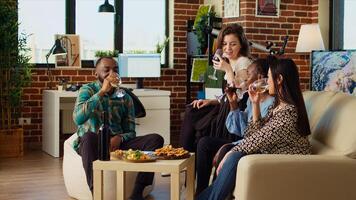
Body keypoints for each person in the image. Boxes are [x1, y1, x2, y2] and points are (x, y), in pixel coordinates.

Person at [197, 58, 312, 200]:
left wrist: (231, 151)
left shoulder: (288, 113)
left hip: (287, 164)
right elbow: (251, 134)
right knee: (234, 157)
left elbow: (257, 139)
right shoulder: (277, 107)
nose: (266, 80)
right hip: (271, 156)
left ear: (279, 79)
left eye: (269, 77)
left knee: (234, 156)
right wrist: (255, 104)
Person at [73, 56, 164, 200]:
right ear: (96, 74)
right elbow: (78, 119)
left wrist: (120, 138)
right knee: (88, 137)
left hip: (118, 144)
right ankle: (96, 193)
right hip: (94, 143)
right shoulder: (87, 90)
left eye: (115, 70)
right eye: (106, 70)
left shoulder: (125, 96)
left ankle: (137, 193)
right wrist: (101, 93)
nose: (112, 74)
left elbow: (131, 131)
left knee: (156, 139)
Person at [195, 58, 274, 195]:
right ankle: (202, 192)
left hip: (252, 145)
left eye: (248, 75)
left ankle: (213, 194)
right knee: (204, 143)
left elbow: (253, 136)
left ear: (261, 77)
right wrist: (233, 105)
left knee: (225, 150)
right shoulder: (252, 99)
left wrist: (230, 148)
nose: (245, 80)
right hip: (244, 140)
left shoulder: (271, 104)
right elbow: (239, 129)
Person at [180, 23, 252, 152]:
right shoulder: (229, 61)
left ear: (241, 45)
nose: (228, 48)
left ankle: (185, 156)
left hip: (233, 111)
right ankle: (183, 156)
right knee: (192, 109)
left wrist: (228, 70)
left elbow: (237, 94)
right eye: (225, 44)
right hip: (223, 105)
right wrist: (211, 101)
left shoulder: (244, 62)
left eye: (233, 44)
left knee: (198, 123)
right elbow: (226, 95)